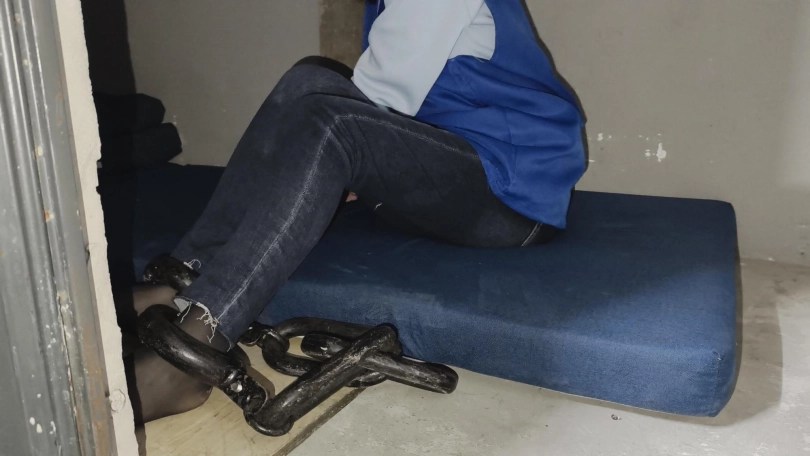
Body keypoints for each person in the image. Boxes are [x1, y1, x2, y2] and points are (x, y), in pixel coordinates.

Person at [128, 0, 585, 422]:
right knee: (306, 81)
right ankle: (183, 280)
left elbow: (375, 93)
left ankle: (193, 352)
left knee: (330, 123)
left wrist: (340, 158)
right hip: (458, 162)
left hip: (512, 193)